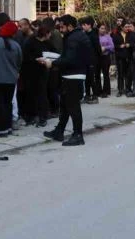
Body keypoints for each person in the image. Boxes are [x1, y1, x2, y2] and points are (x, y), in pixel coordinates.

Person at [41, 15, 90, 146]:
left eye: (62, 27)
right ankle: (59, 131)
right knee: (65, 106)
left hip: (73, 76)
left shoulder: (74, 38)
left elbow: (70, 59)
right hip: (72, 75)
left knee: (73, 107)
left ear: (70, 26)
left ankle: (78, 135)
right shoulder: (76, 36)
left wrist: (52, 63)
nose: (60, 30)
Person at [21, 25, 51, 128]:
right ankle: (31, 116)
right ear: (45, 34)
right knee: (31, 94)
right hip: (30, 71)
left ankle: (43, 116)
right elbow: (25, 56)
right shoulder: (30, 42)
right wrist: (36, 60)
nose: (50, 36)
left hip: (42, 71)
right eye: (49, 34)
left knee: (42, 93)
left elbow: (53, 52)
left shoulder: (47, 43)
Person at [79, 16, 101, 104]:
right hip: (85, 60)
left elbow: (98, 49)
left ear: (89, 25)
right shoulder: (83, 34)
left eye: (84, 25)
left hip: (92, 60)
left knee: (92, 79)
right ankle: (87, 96)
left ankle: (95, 96)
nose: (83, 27)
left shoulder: (94, 35)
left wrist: (97, 60)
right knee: (86, 79)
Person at [111, 20, 131, 97]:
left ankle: (128, 89)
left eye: (128, 27)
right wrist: (119, 46)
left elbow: (134, 43)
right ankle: (120, 90)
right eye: (126, 27)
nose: (127, 28)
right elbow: (113, 45)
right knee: (120, 74)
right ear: (122, 27)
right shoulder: (116, 35)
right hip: (120, 57)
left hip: (128, 57)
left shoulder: (130, 34)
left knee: (128, 74)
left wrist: (130, 45)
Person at [98, 24, 114, 97]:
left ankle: (106, 91)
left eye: (104, 28)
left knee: (106, 74)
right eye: (101, 28)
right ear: (98, 29)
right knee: (97, 75)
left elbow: (112, 46)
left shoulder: (108, 37)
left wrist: (105, 48)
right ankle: (98, 91)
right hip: (97, 57)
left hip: (105, 57)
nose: (103, 30)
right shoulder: (96, 37)